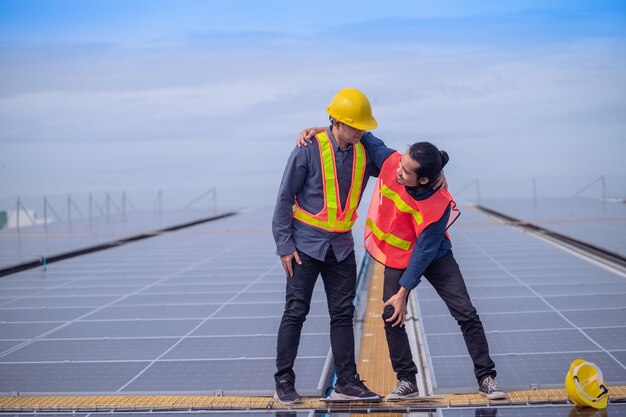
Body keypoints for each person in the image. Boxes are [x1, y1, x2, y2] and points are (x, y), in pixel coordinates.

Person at [297, 132, 506, 401]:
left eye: (407, 171)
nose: (399, 170)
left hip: (434, 255)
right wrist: (322, 128)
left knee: (465, 312)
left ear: (424, 180)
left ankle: (486, 377)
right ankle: (407, 380)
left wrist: (404, 292)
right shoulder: (391, 160)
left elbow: (425, 250)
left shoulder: (438, 202)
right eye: (401, 163)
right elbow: (360, 133)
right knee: (391, 314)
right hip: (397, 252)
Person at [272, 87, 382, 404]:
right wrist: (284, 246)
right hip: (304, 248)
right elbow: (282, 200)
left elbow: (395, 168)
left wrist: (435, 167)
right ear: (336, 121)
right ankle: (283, 382)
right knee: (295, 312)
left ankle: (347, 383)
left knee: (343, 315)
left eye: (364, 126)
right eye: (355, 125)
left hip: (341, 249)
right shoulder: (307, 150)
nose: (361, 131)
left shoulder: (364, 153)